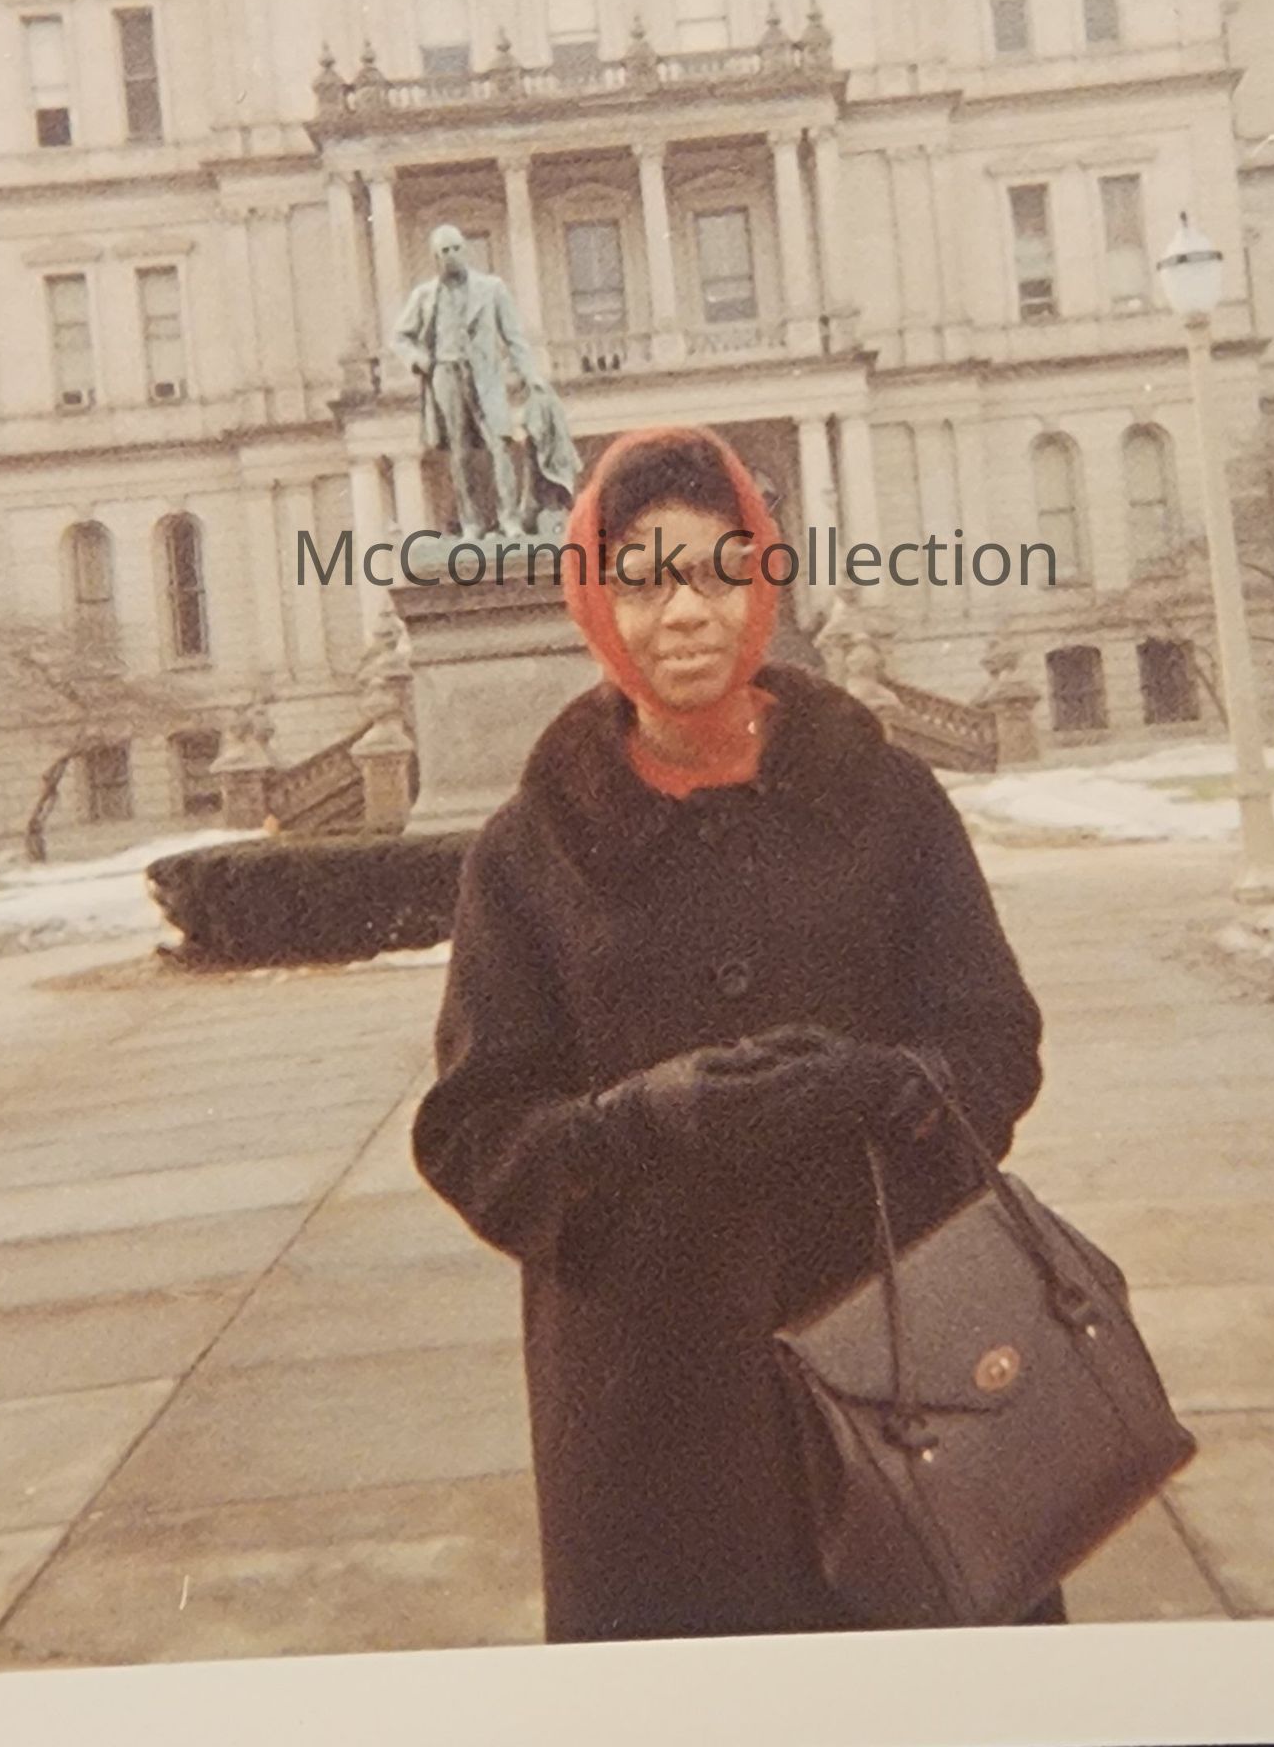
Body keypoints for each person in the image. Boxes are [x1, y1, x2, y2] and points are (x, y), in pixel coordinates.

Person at [412, 424, 1058, 1642]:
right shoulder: (530, 849)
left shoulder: (887, 798)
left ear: (765, 581)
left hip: (901, 1354)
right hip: (653, 1417)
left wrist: (891, 1086)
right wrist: (638, 1124)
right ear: (596, 602)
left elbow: (992, 1038)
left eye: (719, 572)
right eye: (644, 581)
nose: (685, 612)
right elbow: (476, 1135)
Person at [390, 223, 541, 540]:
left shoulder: (492, 288)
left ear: (466, 250)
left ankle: (509, 519)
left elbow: (514, 337)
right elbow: (400, 338)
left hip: (486, 375)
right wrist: (420, 360)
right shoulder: (425, 296)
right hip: (446, 374)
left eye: (456, 248)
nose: (452, 255)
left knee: (499, 444)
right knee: (459, 452)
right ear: (435, 257)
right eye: (444, 251)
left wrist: (530, 375)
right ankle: (470, 523)